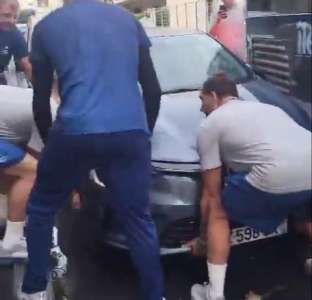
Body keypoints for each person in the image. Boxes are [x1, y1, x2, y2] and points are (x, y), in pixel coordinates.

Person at [21, 1, 164, 300]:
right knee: (138, 220)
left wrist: (52, 149)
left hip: (75, 130)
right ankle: (155, 295)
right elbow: (152, 89)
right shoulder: (128, 20)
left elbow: (41, 97)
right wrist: (142, 133)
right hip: (129, 131)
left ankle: (34, 291)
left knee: (42, 208)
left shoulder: (47, 27)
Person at [189, 74, 311, 300]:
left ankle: (213, 294)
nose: (201, 107)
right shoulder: (268, 109)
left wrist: (203, 239)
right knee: (305, 213)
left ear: (214, 96)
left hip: (274, 175)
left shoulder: (211, 123)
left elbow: (211, 192)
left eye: (202, 99)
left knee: (218, 211)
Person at [0, 84, 59, 258]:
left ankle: (15, 223)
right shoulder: (51, 112)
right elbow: (38, 159)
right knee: (33, 172)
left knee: (17, 171)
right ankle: (12, 242)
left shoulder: (38, 97)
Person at [0, 0, 31, 84]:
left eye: (15, 17)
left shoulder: (14, 33)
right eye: (7, 15)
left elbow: (26, 63)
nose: (12, 21)